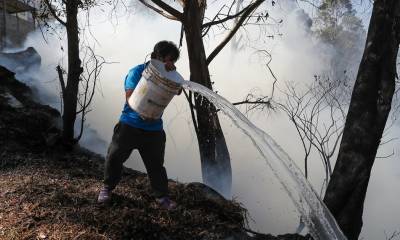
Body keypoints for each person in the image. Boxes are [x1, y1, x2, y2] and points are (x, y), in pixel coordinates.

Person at [97, 41, 180, 209]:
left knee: (156, 166)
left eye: (172, 60)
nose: (169, 64)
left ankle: (162, 197)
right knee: (114, 157)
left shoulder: (169, 75)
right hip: (129, 124)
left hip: (154, 129)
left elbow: (178, 90)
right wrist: (142, 112)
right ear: (156, 56)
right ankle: (106, 188)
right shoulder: (137, 72)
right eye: (167, 59)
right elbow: (129, 96)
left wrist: (172, 76)